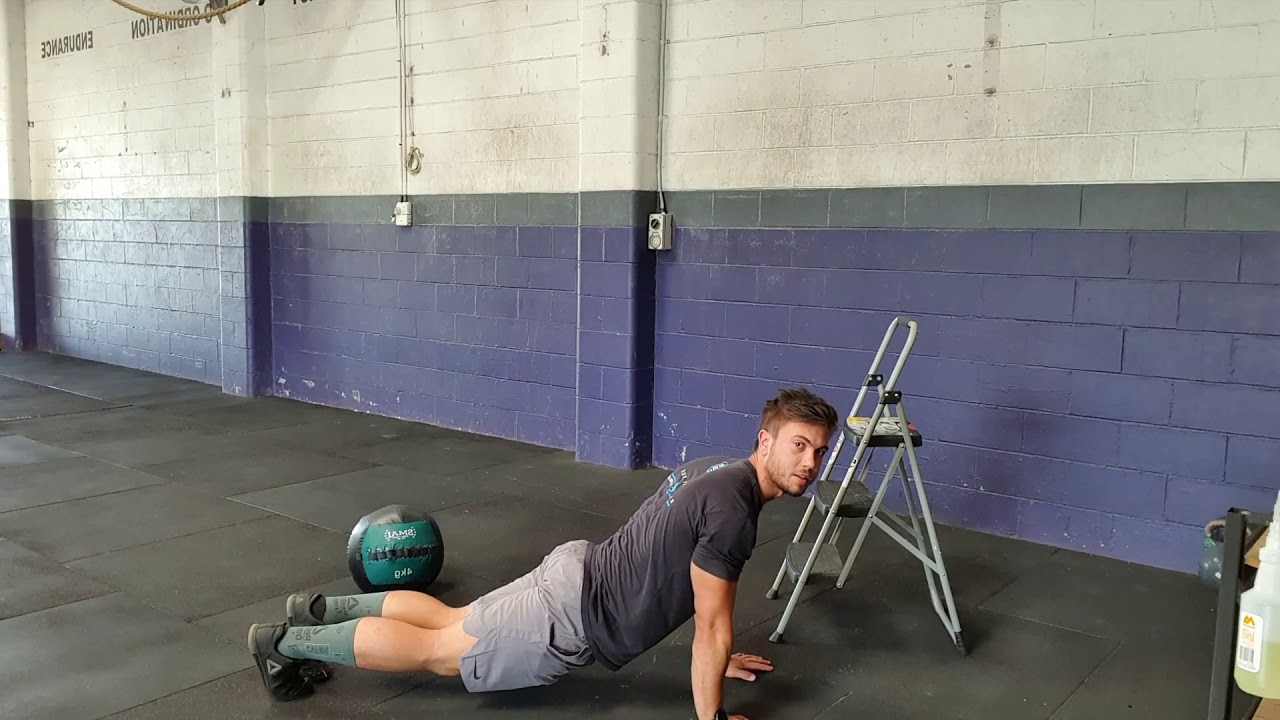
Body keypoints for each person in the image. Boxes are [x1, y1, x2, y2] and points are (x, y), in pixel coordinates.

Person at [248, 387, 839, 720]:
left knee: (452, 619)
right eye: (798, 445)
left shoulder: (717, 469)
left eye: (818, 451)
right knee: (436, 653)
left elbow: (675, 570)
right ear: (765, 439)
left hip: (575, 571)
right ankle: (283, 645)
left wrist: (719, 655)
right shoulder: (734, 511)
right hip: (571, 614)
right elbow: (710, 624)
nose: (809, 463)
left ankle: (316, 612)